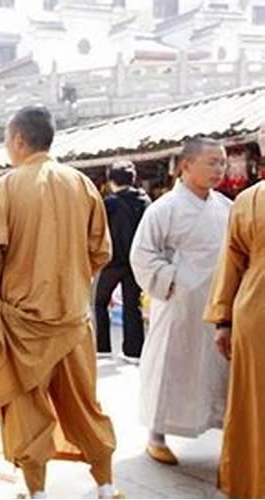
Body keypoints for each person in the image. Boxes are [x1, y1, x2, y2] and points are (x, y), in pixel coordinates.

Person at [0, 106, 120, 499]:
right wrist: (68, 276)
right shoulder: (82, 184)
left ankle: (36, 492)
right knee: (85, 404)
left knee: (26, 409)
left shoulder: (4, 189)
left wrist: (5, 281)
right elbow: (101, 251)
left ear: (18, 140)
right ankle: (105, 485)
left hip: (20, 323)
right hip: (72, 319)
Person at [130, 137, 230, 466]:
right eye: (212, 162)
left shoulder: (227, 207)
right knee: (169, 363)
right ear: (186, 166)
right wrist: (173, 279)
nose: (220, 169)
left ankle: (223, 427)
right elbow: (142, 255)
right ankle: (156, 435)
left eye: (222, 162)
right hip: (178, 302)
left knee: (216, 368)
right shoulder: (163, 209)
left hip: (217, 302)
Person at [204, 174, 265, 498]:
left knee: (254, 403)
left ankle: (250, 483)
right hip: (256, 313)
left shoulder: (250, 200)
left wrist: (223, 320)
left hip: (256, 310)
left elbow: (231, 261)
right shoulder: (247, 200)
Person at [93, 161, 151, 364]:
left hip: (113, 261)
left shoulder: (110, 203)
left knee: (99, 302)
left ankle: (102, 347)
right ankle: (134, 351)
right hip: (135, 261)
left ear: (111, 181)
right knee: (132, 304)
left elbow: (99, 232)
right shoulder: (145, 201)